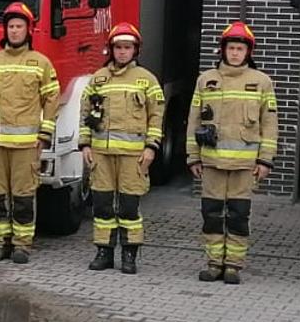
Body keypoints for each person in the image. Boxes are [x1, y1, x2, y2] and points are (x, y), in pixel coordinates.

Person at [186, 21, 278, 284]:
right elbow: (194, 120)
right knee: (212, 215)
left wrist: (265, 160)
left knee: (238, 216)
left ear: (248, 52)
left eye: (240, 48)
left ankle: (234, 266)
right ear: (222, 50)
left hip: (244, 166)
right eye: (231, 48)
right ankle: (214, 263)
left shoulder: (261, 82)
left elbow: (270, 124)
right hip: (212, 163)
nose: (235, 53)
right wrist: (193, 156)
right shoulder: (206, 80)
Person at [0, 2, 60, 264]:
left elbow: (52, 100)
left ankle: (23, 245)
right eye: (10, 26)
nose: (14, 31)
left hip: (26, 146)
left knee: (23, 198)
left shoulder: (41, 63)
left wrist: (44, 135)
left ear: (29, 30)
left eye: (19, 27)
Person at [79, 23, 166, 275]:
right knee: (103, 206)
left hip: (133, 156)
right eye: (118, 47)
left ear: (135, 50)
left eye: (127, 47)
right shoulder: (98, 79)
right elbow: (85, 113)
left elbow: (156, 116)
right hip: (101, 156)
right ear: (111, 49)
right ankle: (104, 252)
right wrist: (85, 144)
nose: (122, 52)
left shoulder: (146, 80)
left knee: (129, 207)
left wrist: (151, 148)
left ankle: (130, 254)